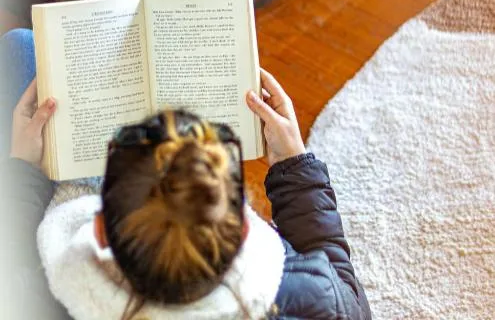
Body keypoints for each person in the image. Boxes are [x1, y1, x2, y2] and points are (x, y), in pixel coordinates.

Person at [0, 29, 372, 320]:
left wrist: (21, 171)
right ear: (244, 227)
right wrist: (293, 164)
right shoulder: (315, 300)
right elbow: (344, 286)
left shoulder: (39, 296)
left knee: (19, 49)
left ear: (98, 230)